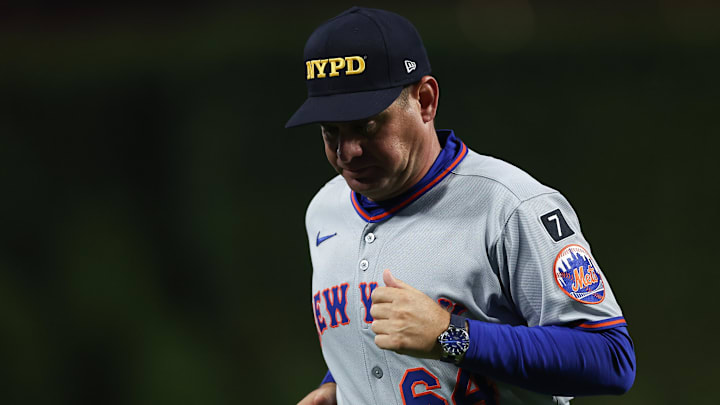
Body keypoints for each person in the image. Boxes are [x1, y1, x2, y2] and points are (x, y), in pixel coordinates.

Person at [286, 6, 635, 405]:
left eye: (366, 126)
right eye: (331, 131)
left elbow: (611, 358)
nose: (348, 151)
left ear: (425, 101)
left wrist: (451, 335)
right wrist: (339, 384)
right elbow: (378, 333)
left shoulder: (509, 206)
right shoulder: (325, 208)